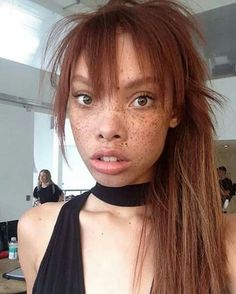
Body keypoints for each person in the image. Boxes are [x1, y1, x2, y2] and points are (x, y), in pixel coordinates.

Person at [17, 1, 236, 293]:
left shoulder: (225, 244)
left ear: (175, 110)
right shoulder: (37, 230)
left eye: (141, 99)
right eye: (85, 97)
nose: (108, 129)